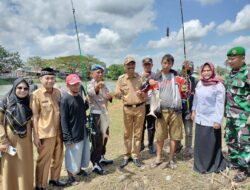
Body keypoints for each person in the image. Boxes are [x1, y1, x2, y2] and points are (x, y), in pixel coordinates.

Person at [31, 68, 65, 189]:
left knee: (59, 157)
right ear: (41, 79)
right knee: (43, 160)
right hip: (45, 133)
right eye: (47, 78)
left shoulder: (58, 92)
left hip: (59, 131)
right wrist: (35, 136)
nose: (50, 80)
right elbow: (34, 117)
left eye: (52, 78)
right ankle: (40, 184)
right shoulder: (36, 95)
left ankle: (55, 179)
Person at [191, 62, 228, 174]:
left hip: (212, 120)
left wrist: (218, 120)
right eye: (204, 70)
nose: (206, 73)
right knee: (200, 143)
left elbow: (220, 104)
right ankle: (200, 165)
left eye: (208, 70)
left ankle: (211, 165)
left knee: (211, 144)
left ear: (213, 71)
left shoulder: (218, 85)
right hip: (200, 119)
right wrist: (193, 110)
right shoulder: (200, 84)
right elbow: (196, 99)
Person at [150, 54, 184, 169]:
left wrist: (187, 72)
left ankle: (170, 159)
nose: (166, 65)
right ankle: (158, 158)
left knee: (174, 136)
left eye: (169, 63)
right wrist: (149, 84)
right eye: (165, 63)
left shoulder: (177, 77)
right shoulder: (156, 77)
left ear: (172, 64)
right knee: (160, 136)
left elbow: (186, 89)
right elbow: (146, 90)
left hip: (175, 111)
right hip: (161, 111)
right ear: (161, 63)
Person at [0, 78, 34, 190]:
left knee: (24, 165)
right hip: (9, 140)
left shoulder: (29, 102)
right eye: (19, 88)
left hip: (26, 141)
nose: (22, 91)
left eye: (25, 88)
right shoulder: (5, 101)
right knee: (9, 166)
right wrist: (3, 140)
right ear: (14, 88)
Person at [115, 56, 146, 168]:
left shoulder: (140, 77)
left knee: (138, 133)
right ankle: (127, 155)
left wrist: (143, 94)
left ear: (135, 66)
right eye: (128, 65)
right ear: (125, 66)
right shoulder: (121, 79)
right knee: (127, 133)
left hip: (140, 108)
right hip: (127, 109)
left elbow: (146, 93)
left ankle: (136, 155)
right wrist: (118, 94)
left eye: (132, 64)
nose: (131, 67)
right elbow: (117, 93)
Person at [224, 46, 250, 182]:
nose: (230, 61)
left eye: (233, 58)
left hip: (243, 116)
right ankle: (235, 163)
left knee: (244, 143)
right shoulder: (231, 74)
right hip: (231, 115)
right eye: (228, 59)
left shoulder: (247, 73)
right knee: (231, 140)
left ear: (242, 58)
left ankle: (244, 170)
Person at [60, 74, 88, 185]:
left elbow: (81, 110)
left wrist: (87, 104)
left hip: (82, 130)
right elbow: (63, 120)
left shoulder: (79, 97)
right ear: (67, 85)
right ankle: (70, 176)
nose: (76, 86)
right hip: (72, 133)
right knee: (71, 155)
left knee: (82, 152)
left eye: (77, 84)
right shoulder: (65, 100)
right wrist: (67, 137)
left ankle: (80, 170)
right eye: (73, 85)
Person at [88, 64, 113, 175]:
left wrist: (110, 96)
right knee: (96, 139)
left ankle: (102, 157)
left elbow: (108, 97)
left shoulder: (104, 85)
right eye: (97, 72)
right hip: (96, 115)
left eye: (101, 72)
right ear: (92, 73)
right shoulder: (90, 84)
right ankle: (95, 163)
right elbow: (91, 93)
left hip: (105, 114)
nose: (100, 74)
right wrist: (97, 87)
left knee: (105, 136)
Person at [176, 60, 196, 157]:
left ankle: (188, 148)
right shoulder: (177, 79)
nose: (187, 70)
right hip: (179, 109)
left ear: (192, 69)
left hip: (189, 109)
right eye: (185, 68)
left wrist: (194, 111)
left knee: (188, 131)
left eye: (189, 68)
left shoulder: (195, 81)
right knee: (177, 130)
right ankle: (178, 145)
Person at [140, 57, 156, 154]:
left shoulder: (156, 75)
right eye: (145, 64)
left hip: (152, 104)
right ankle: (141, 144)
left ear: (152, 65)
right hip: (141, 104)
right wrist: (143, 79)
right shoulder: (138, 76)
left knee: (151, 126)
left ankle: (150, 144)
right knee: (141, 125)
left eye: (149, 64)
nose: (147, 66)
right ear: (143, 66)